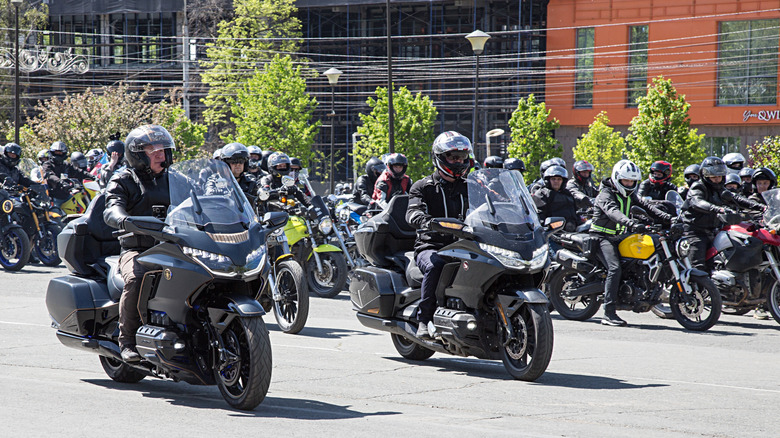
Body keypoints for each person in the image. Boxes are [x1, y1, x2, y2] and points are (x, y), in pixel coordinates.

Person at [103, 125, 176, 362]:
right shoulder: (124, 179)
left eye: (163, 148)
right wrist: (121, 218)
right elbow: (112, 205)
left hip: (176, 247)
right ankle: (127, 340)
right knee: (136, 278)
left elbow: (200, 201)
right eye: (151, 148)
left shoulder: (176, 179)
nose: (160, 153)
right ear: (137, 154)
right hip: (138, 248)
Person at [590, 159, 672, 327]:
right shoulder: (605, 194)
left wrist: (669, 218)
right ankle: (608, 312)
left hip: (621, 236)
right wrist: (631, 223)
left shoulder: (629, 194)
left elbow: (646, 205)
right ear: (617, 178)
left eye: (632, 181)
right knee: (615, 268)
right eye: (625, 181)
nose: (629, 184)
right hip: (601, 237)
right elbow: (613, 212)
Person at [406, 131, 472, 339]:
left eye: (462, 158)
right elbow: (412, 212)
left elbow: (493, 205)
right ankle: (424, 320)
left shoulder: (471, 187)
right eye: (454, 157)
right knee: (436, 265)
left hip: (465, 246)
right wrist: (423, 220)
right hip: (431, 246)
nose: (459, 162)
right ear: (441, 158)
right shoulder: (423, 187)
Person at [680, 157, 765, 276]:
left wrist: (761, 207)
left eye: (719, 176)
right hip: (695, 232)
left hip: (714, 230)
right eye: (713, 177)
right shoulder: (698, 187)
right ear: (705, 176)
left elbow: (736, 198)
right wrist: (718, 209)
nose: (717, 180)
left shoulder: (720, 189)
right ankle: (694, 291)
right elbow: (697, 202)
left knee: (722, 260)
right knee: (698, 267)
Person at [532, 165, 580, 232]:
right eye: (553, 179)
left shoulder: (567, 194)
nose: (556, 181)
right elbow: (539, 215)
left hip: (571, 231)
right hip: (552, 232)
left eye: (559, 179)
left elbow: (575, 212)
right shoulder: (542, 194)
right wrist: (547, 226)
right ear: (548, 180)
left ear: (563, 181)